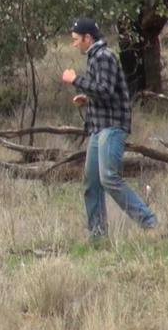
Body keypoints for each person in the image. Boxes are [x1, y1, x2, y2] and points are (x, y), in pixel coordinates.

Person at [61, 18, 158, 238]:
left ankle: (149, 222)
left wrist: (75, 79)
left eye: (76, 40)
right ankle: (97, 235)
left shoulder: (103, 57)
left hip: (111, 127)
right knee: (91, 183)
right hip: (98, 127)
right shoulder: (95, 57)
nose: (74, 44)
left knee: (108, 178)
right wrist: (87, 98)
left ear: (88, 38)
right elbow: (105, 92)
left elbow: (104, 90)